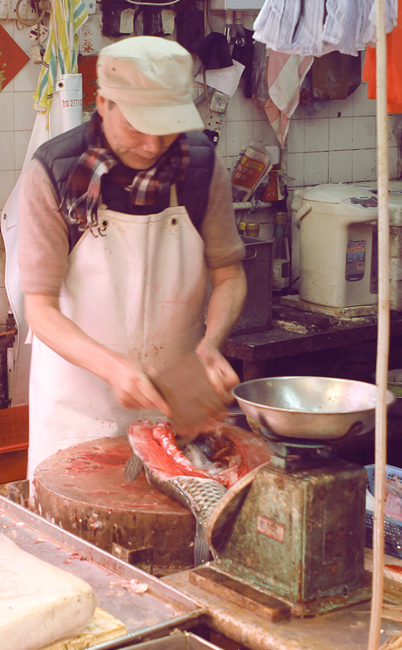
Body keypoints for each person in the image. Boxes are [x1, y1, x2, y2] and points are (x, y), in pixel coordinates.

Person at [18, 36, 247, 480]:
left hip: (175, 414)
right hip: (78, 415)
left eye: (166, 127)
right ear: (103, 103)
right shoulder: (55, 171)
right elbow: (39, 309)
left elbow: (229, 273)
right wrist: (114, 368)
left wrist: (211, 343)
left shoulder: (200, 164)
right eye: (138, 126)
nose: (152, 144)